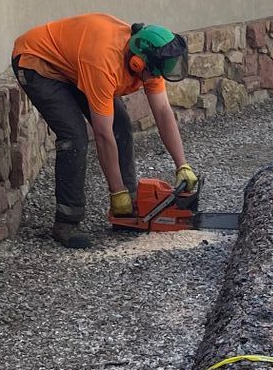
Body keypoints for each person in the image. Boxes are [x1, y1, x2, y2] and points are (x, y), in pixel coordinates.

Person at [11, 15, 198, 248]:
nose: (157, 78)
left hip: (74, 64)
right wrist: (114, 190)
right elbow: (102, 134)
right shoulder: (104, 62)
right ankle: (66, 222)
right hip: (36, 62)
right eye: (155, 73)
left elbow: (162, 112)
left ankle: (128, 212)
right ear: (137, 64)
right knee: (74, 136)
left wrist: (182, 164)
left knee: (120, 123)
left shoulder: (152, 61)